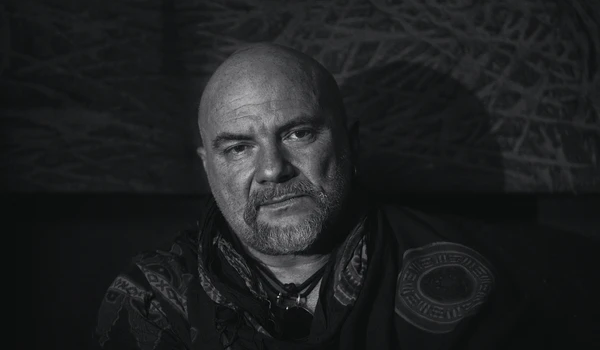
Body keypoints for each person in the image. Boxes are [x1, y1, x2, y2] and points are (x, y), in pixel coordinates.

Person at [93, 43, 530, 350]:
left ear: (351, 144)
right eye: (239, 148)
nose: (272, 169)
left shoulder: (457, 279)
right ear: (208, 167)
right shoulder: (155, 298)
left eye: (298, 134)